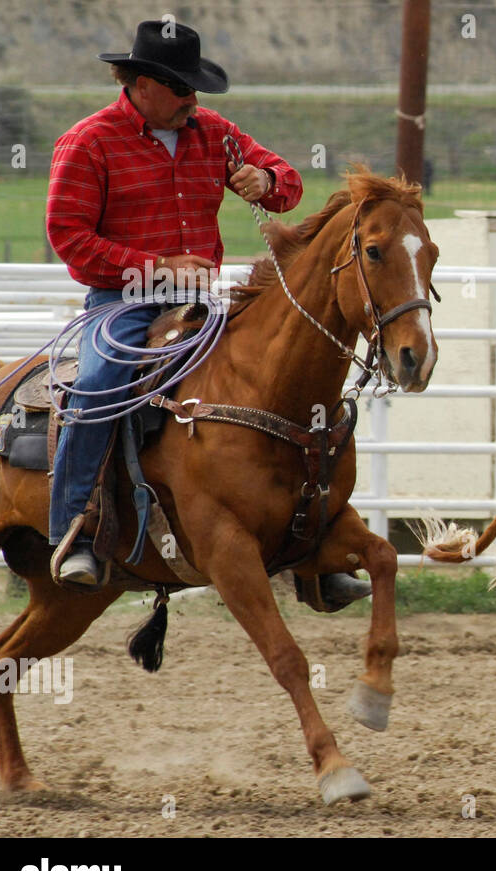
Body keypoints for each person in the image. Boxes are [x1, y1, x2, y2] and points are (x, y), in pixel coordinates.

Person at [45, 22, 360, 604]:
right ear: (143, 85)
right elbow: (68, 236)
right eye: (183, 89)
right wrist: (159, 266)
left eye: (196, 90)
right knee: (96, 387)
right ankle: (74, 530)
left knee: (280, 380)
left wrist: (265, 179)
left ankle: (311, 538)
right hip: (122, 303)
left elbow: (287, 185)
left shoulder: (211, 133)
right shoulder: (89, 142)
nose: (194, 101)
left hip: (202, 304)